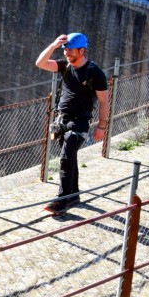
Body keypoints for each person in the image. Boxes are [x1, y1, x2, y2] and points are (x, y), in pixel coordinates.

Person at [35, 32, 110, 215]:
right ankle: (74, 194)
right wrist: (53, 45)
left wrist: (101, 126)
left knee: (65, 158)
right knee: (70, 157)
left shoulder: (94, 72)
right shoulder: (65, 66)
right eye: (65, 50)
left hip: (80, 123)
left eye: (70, 50)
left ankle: (61, 201)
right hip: (63, 121)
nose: (67, 54)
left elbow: (104, 101)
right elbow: (40, 63)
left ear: (82, 50)